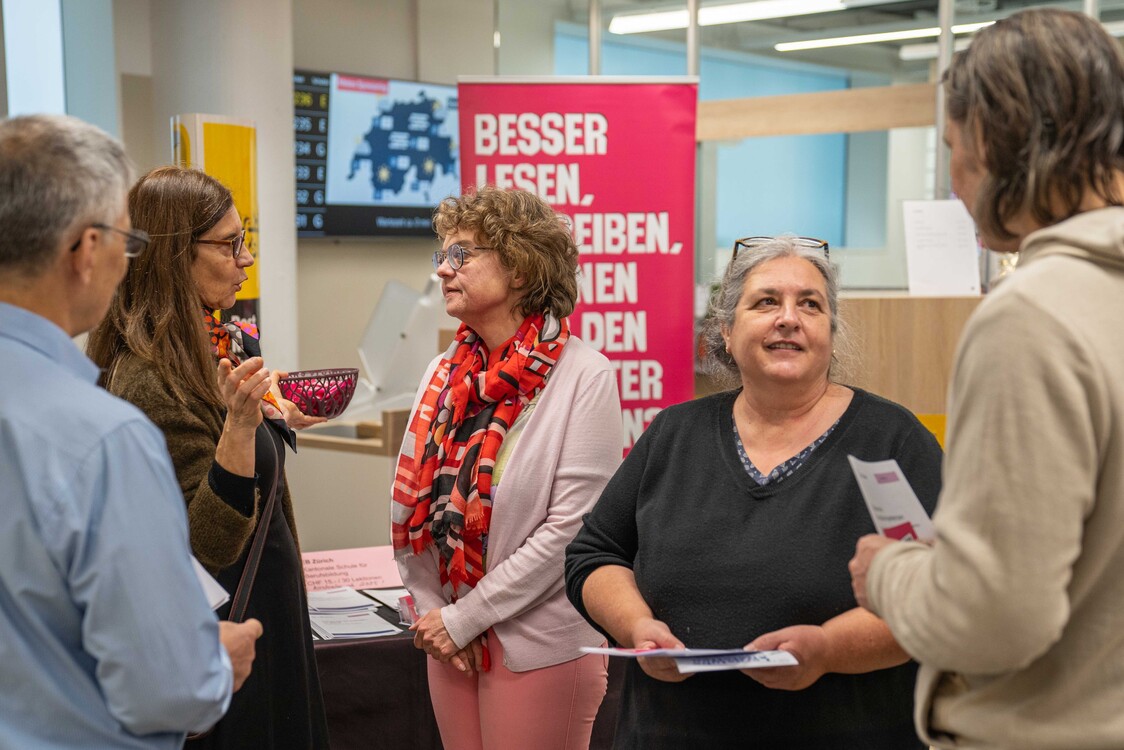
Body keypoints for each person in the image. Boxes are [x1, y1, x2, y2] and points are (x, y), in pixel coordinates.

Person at [849, 9, 1124, 749]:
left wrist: (892, 574)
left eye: (955, 150)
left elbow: (994, 619)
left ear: (1001, 143)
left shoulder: (1032, 316)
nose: (954, 181)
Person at [565, 235, 943, 749]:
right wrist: (636, 626)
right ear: (725, 328)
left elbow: (940, 589)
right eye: (766, 302)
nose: (788, 318)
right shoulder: (674, 434)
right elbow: (595, 553)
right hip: (670, 733)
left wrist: (829, 648)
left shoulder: (892, 440)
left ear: (830, 332)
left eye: (810, 304)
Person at [0, 115, 262, 748]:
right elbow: (165, 686)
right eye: (126, 238)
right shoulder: (103, 439)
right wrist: (212, 663)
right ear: (88, 251)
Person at [86, 166, 329, 749]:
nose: (246, 259)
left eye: (243, 239)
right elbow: (205, 545)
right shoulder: (146, 380)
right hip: (224, 632)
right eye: (229, 244)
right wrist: (241, 430)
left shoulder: (212, 344)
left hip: (263, 611)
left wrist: (271, 416)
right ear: (174, 256)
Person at [391, 186, 623, 750]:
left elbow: (570, 531)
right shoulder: (442, 371)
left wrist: (466, 618)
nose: (444, 269)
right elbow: (410, 511)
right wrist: (436, 615)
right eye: (440, 256)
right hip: (447, 637)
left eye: (462, 255)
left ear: (519, 269)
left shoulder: (585, 376)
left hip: (536, 644)